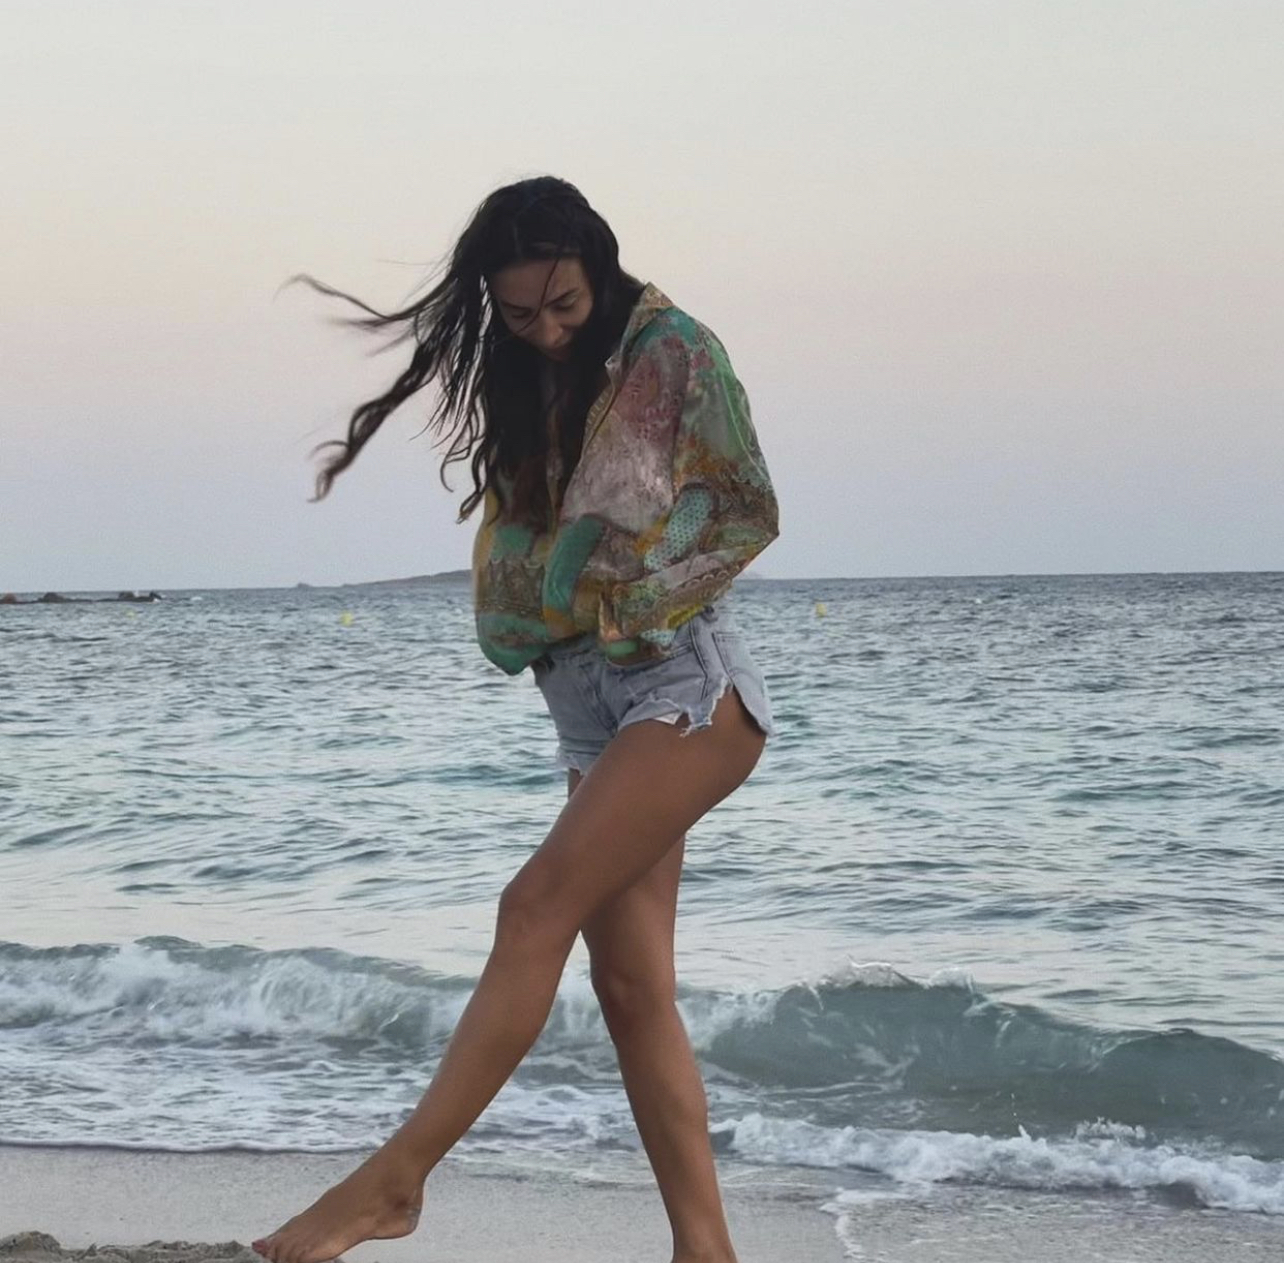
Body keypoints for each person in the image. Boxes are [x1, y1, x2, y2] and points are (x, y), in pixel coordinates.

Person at [253, 176, 780, 1263]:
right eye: (522, 312)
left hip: (685, 688)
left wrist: (626, 604)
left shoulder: (676, 350)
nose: (545, 329)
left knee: (532, 906)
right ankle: (706, 1251)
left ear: (601, 270)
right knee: (630, 987)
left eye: (565, 305)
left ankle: (393, 1183)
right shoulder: (527, 370)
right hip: (586, 705)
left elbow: (743, 509)